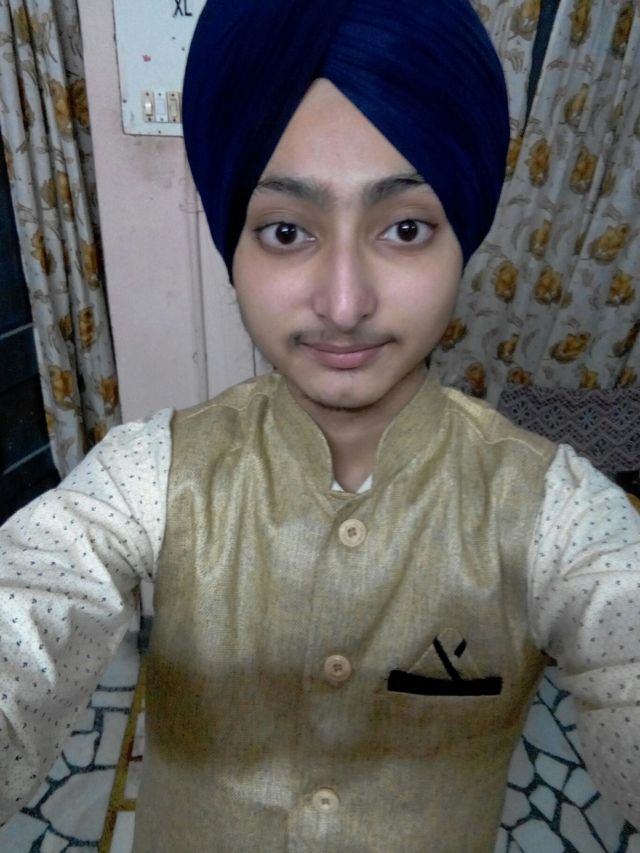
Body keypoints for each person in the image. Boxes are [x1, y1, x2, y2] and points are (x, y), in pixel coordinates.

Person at [1, 0, 639, 850]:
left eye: (405, 228)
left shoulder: (557, 515)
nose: (344, 302)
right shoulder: (148, 477)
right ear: (235, 245)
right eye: (286, 230)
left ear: (463, 234)